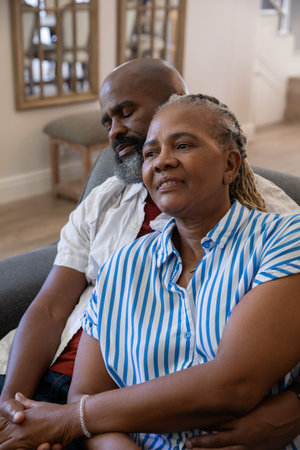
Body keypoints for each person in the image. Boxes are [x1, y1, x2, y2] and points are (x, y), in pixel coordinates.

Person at [0, 60, 299, 448]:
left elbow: (237, 380)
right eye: (107, 121)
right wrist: (14, 404)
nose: (115, 130)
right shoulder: (117, 237)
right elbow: (52, 311)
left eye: (125, 112)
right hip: (80, 403)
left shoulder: (276, 225)